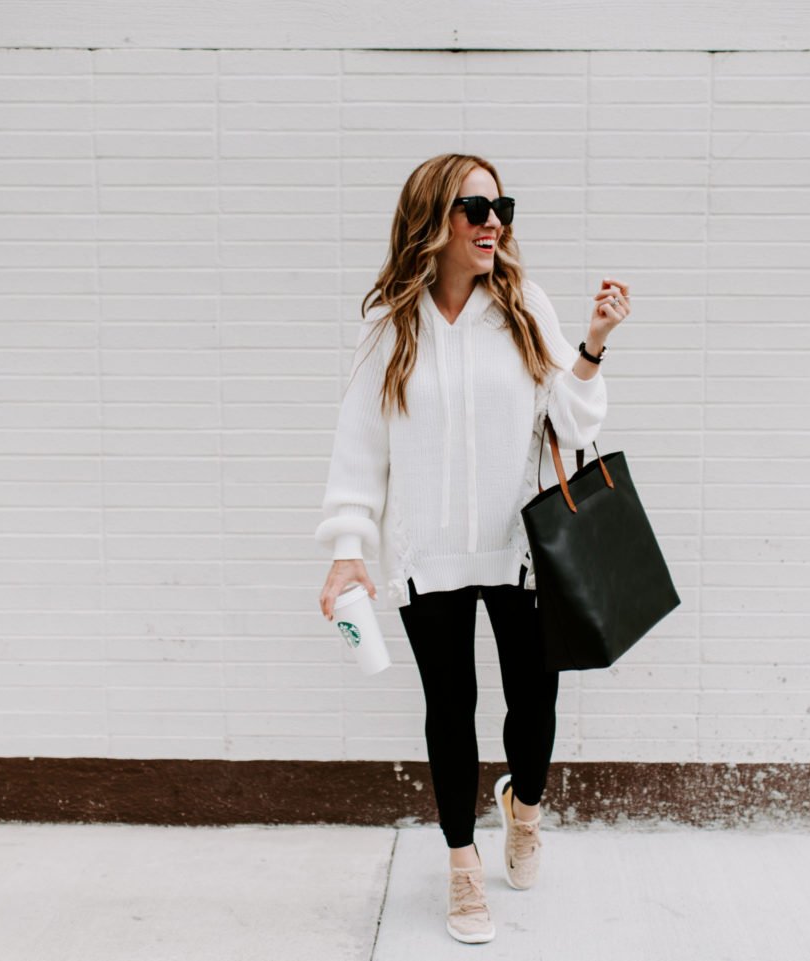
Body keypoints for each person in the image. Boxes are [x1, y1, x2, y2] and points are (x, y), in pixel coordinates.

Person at [313, 153, 631, 944]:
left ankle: (524, 806)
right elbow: (359, 445)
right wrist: (348, 546)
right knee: (450, 710)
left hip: (521, 548)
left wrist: (592, 344)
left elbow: (572, 423)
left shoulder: (523, 305)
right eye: (476, 209)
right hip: (428, 555)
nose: (494, 223)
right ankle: (462, 865)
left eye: (502, 208)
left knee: (534, 705)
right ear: (434, 218)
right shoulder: (392, 325)